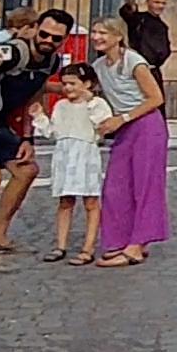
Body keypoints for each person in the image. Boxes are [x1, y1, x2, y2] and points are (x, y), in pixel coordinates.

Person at [0, 8, 71, 268]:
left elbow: (35, 93)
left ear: (63, 39)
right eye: (44, 34)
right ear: (35, 28)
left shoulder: (52, 62)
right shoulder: (15, 51)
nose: (48, 41)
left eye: (56, 38)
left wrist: (27, 138)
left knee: (27, 170)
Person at [91, 17, 169, 268]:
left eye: (103, 32)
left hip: (147, 125)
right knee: (116, 185)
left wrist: (121, 118)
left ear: (118, 36)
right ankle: (120, 239)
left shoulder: (134, 62)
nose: (96, 37)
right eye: (94, 32)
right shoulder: (99, 66)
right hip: (125, 129)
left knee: (145, 185)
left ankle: (137, 246)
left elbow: (155, 98)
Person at [35, 63, 111, 266]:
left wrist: (90, 103)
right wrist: (39, 117)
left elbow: (102, 126)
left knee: (91, 202)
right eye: (65, 84)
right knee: (65, 201)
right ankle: (60, 245)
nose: (67, 88)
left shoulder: (98, 105)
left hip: (85, 155)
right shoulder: (61, 106)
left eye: (72, 84)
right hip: (64, 155)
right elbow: (52, 132)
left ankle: (88, 247)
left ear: (86, 84)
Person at [119, 0, 172, 93]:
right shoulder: (138, 19)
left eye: (163, 3)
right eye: (157, 2)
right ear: (148, 3)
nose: (160, 6)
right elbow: (128, 7)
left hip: (154, 71)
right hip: (138, 69)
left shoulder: (163, 26)